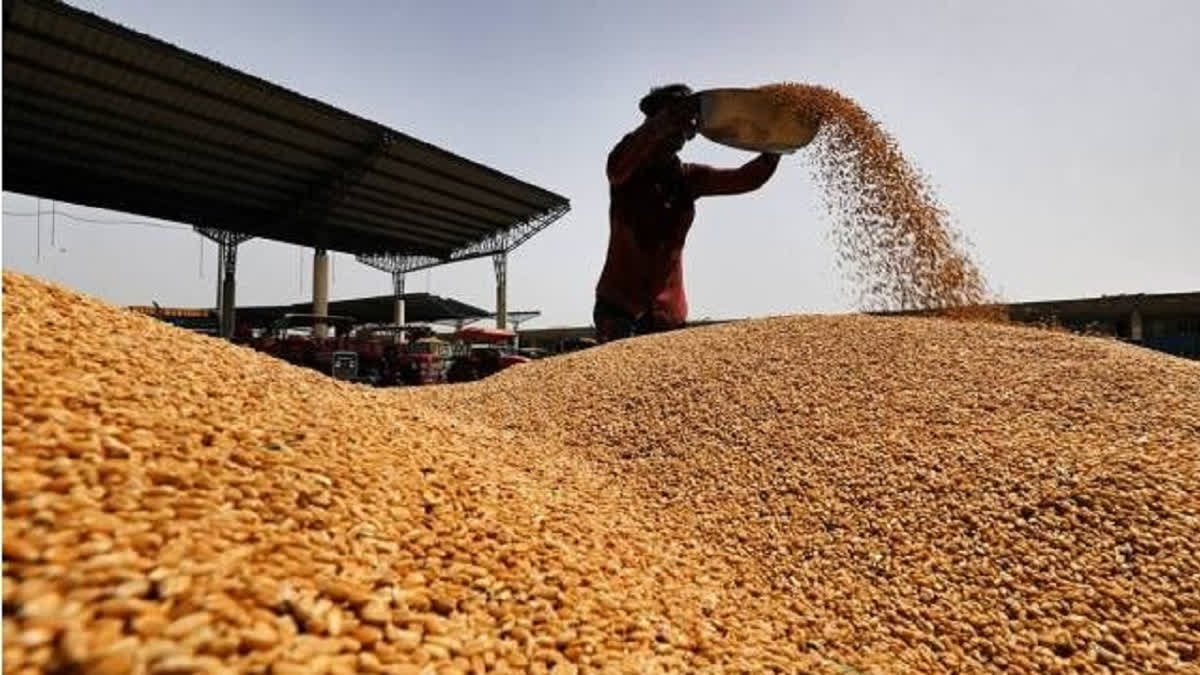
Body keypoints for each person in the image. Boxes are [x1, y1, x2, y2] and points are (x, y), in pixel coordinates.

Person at [594, 83, 782, 343]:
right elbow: (617, 169)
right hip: (620, 308)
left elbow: (744, 179)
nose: (682, 132)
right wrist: (666, 120)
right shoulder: (629, 165)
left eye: (686, 125)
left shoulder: (688, 178)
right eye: (676, 122)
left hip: (667, 315)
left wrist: (776, 146)